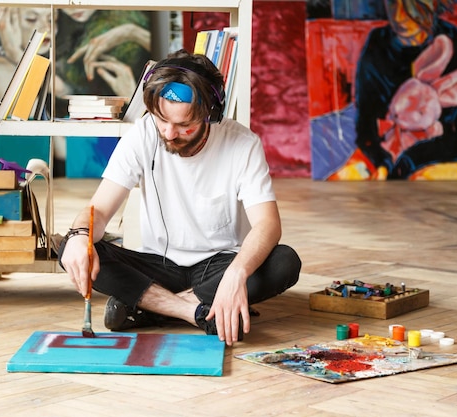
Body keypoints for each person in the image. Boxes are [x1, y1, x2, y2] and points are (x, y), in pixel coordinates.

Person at [59, 49, 301, 346]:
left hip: (219, 265)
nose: (170, 134)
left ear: (210, 115)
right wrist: (79, 237)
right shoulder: (144, 133)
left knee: (284, 262)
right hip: (157, 264)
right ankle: (194, 311)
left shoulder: (243, 144)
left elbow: (267, 225)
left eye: (184, 126)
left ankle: (150, 306)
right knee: (71, 245)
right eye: (163, 120)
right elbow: (98, 209)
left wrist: (237, 274)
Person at [352, 0, 457, 179]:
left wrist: (409, 162)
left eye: (412, 3)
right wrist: (382, 162)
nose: (399, 16)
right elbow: (365, 126)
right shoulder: (377, 45)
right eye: (392, 2)